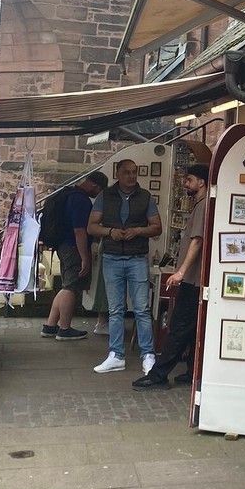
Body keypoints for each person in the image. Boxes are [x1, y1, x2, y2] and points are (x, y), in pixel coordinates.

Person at [134, 164, 207, 391]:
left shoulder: (204, 206)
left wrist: (181, 271)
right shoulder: (200, 204)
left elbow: (197, 241)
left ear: (201, 182)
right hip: (192, 278)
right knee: (191, 327)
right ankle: (192, 370)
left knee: (178, 327)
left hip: (193, 279)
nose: (186, 183)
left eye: (190, 179)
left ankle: (159, 375)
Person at [87, 160, 162, 374]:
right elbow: (91, 226)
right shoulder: (105, 196)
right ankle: (116, 355)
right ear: (117, 174)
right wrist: (110, 232)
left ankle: (148, 355)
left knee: (141, 309)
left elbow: (157, 227)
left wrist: (137, 231)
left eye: (134, 172)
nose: (131, 176)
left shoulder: (145, 197)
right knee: (116, 309)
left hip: (137, 256)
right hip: (112, 256)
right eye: (127, 172)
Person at [40, 169, 108, 342]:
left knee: (66, 285)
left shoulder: (69, 193)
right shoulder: (80, 200)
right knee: (71, 286)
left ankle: (50, 325)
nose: (98, 195)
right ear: (94, 184)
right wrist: (84, 256)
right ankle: (65, 328)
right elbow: (79, 231)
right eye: (100, 190)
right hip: (73, 247)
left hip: (62, 245)